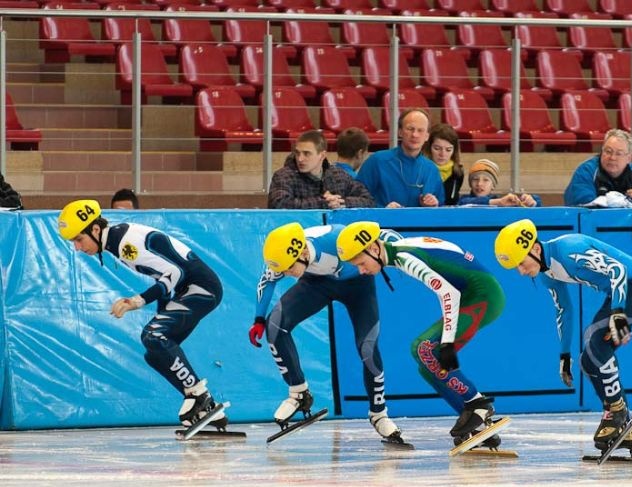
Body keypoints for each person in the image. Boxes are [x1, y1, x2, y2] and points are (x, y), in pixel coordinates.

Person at [56, 198, 229, 431]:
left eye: (79, 239)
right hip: (190, 288)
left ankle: (199, 396)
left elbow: (173, 272)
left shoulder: (124, 244)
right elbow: (164, 277)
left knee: (154, 336)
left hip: (201, 288)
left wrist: (136, 301)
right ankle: (205, 405)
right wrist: (161, 311)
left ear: (95, 229)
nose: (77, 247)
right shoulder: (115, 240)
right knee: (155, 353)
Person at [336, 221, 506, 448]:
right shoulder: (391, 246)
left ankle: (478, 404)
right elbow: (387, 233)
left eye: (361, 263)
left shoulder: (407, 258)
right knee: (427, 367)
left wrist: (447, 342)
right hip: (472, 293)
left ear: (374, 249)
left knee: (423, 349)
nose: (362, 270)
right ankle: (477, 427)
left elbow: (448, 293)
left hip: (482, 296)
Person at [494, 219, 632, 453]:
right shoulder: (545, 273)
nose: (521, 272)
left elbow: (617, 269)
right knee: (588, 361)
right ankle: (626, 426)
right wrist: (564, 354)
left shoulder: (569, 250)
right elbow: (564, 310)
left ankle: (617, 411)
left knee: (594, 340)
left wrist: (618, 313)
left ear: (536, 249)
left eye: (521, 263)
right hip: (619, 295)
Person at [251, 221, 401, 441]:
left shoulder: (336, 239)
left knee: (367, 348)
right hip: (316, 284)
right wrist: (258, 319)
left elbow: (382, 233)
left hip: (359, 286)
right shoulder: (283, 253)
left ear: (302, 252)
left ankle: (379, 414)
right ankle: (299, 393)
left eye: (290, 269)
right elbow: (266, 282)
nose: (289, 275)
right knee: (274, 327)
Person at [356, 108, 444, 208]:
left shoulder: (432, 169)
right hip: (383, 223)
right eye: (410, 129)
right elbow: (358, 200)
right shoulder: (377, 161)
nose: (415, 135)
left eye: (420, 130)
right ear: (400, 132)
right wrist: (383, 209)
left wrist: (433, 205)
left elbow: (440, 207)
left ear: (427, 136)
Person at [268, 130, 375, 209]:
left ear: (322, 155)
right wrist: (325, 203)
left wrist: (341, 202)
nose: (300, 159)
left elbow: (368, 200)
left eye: (306, 154)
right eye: (297, 153)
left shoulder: (338, 175)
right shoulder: (283, 176)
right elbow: (279, 204)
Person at [563, 129, 632, 208]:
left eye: (619, 153)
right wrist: (617, 201)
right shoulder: (586, 172)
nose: (612, 157)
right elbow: (579, 202)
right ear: (602, 151)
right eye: (608, 151)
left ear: (628, 158)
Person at [458, 159, 541, 207]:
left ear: (493, 185)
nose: (479, 184)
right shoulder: (463, 200)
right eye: (475, 179)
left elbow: (537, 203)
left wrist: (532, 201)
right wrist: (498, 202)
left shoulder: (502, 201)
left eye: (486, 180)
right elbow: (465, 204)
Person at [423, 123, 464, 206]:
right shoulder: (420, 170)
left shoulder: (458, 172)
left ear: (454, 151)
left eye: (448, 150)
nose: (442, 154)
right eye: (437, 148)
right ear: (429, 148)